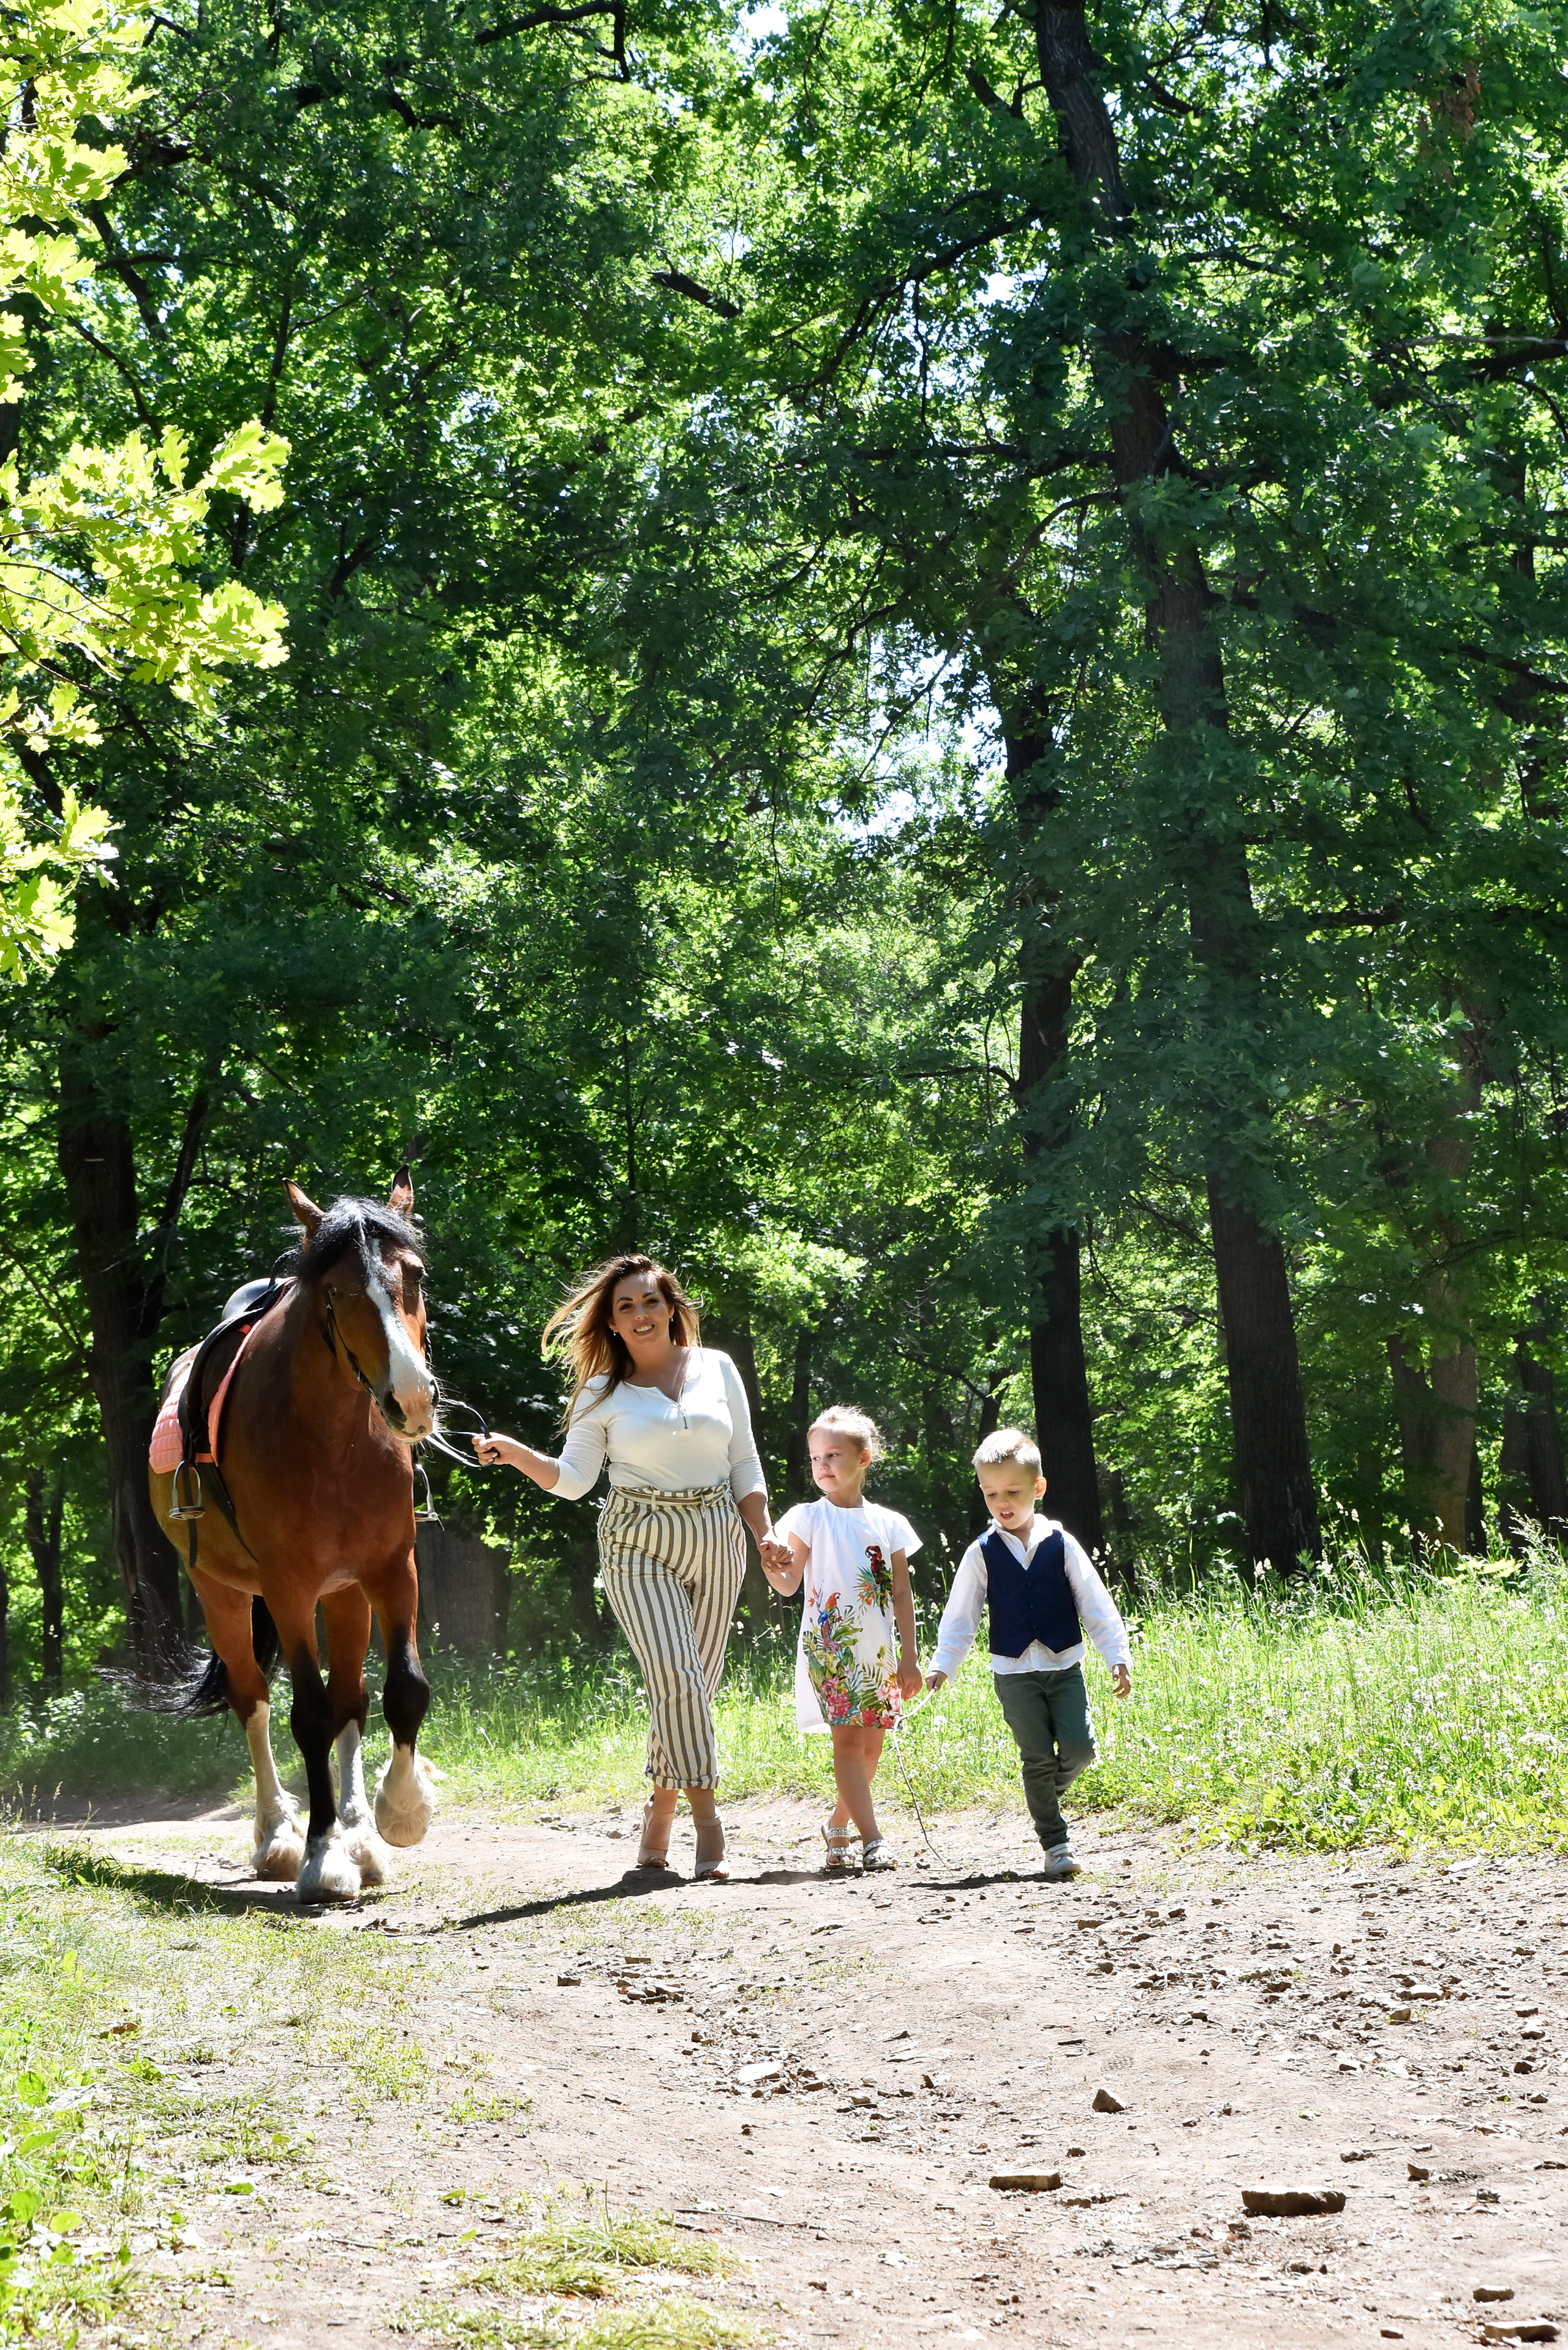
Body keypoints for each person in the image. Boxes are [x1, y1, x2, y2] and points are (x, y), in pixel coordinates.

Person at [473, 1254, 788, 1880]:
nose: (640, 1313)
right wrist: (513, 1452)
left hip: (717, 1533)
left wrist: (765, 1533)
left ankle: (659, 1811)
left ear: (671, 1309)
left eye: (650, 1301)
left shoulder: (718, 1368)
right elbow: (573, 1480)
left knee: (694, 1685)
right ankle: (708, 1821)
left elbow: (744, 1463)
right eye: (626, 1306)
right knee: (677, 1675)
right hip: (637, 1539)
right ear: (612, 1324)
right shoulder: (601, 1393)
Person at [927, 1426, 1131, 1881]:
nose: (1002, 1502)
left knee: (1080, 1750)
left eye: (1013, 1491)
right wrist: (944, 1663)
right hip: (1014, 1673)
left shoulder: (1062, 1543)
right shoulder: (981, 1553)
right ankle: (1055, 1844)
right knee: (1037, 1758)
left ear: (1038, 1488)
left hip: (1065, 1665)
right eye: (991, 1493)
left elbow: (1095, 1603)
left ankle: (1041, 1794)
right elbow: (961, 1616)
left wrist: (1116, 1654)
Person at [760, 1406, 922, 1874]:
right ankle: (873, 1839)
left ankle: (837, 1824)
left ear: (863, 1457)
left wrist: (909, 1656)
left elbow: (901, 1592)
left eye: (833, 1454)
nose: (823, 1464)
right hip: (829, 1648)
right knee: (848, 1743)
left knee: (872, 1748)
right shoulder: (808, 1516)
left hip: (878, 1653)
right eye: (815, 1457)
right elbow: (789, 1583)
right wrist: (773, 1565)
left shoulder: (889, 1523)